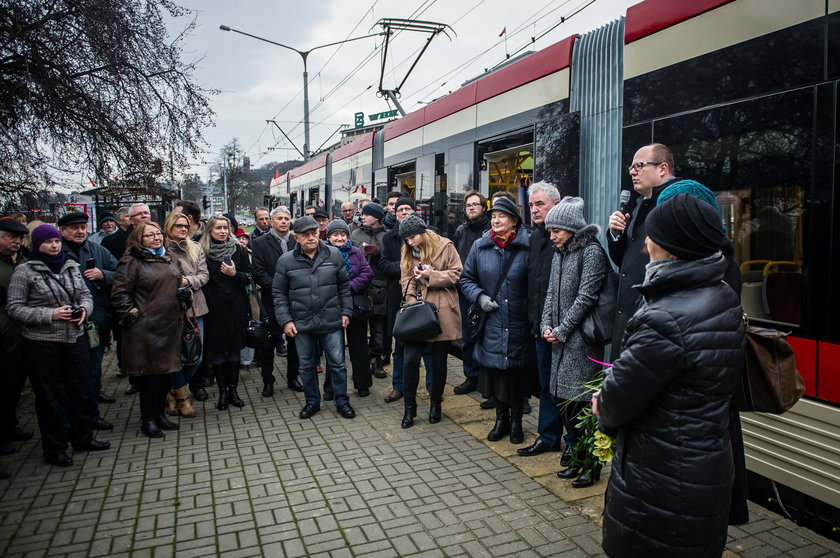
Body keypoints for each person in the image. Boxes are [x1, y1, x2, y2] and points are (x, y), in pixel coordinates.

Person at [594, 194, 745, 558]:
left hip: (660, 478)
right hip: (704, 467)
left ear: (671, 245)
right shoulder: (721, 294)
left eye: (650, 235)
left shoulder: (665, 317)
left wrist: (602, 401)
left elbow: (617, 402)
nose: (644, 244)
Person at [7, 224, 111, 465]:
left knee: (81, 390)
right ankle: (55, 448)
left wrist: (84, 309)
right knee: (50, 397)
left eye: (55, 241)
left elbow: (85, 294)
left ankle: (83, 438)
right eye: (48, 242)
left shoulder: (70, 266)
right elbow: (14, 307)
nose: (54, 246)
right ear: (37, 245)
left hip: (75, 338)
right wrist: (51, 314)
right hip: (43, 343)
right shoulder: (25, 271)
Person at [539, 197, 609, 487]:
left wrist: (563, 330)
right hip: (559, 340)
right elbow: (551, 294)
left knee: (582, 405)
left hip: (581, 341)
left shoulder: (591, 252)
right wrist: (545, 324)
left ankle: (591, 465)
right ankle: (576, 457)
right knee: (562, 400)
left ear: (571, 228)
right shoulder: (560, 252)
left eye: (556, 230)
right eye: (550, 230)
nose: (551, 235)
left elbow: (586, 297)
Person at [460, 197, 533, 443]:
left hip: (518, 323)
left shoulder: (528, 245)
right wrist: (479, 297)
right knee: (497, 376)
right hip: (491, 322)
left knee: (516, 376)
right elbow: (466, 279)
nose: (496, 220)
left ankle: (517, 424)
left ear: (514, 220)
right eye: (493, 217)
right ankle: (500, 420)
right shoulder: (480, 246)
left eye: (502, 216)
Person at [273, 216, 356, 420]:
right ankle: (312, 402)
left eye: (314, 234)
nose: (311, 238)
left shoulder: (334, 254)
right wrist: (285, 320)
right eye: (306, 235)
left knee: (337, 364)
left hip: (331, 319)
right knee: (306, 365)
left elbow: (344, 287)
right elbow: (279, 293)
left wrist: (346, 312)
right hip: (301, 322)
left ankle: (342, 401)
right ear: (297, 237)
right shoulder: (286, 261)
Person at [607, 143, 680, 357]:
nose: (632, 171)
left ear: (662, 168)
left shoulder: (675, 202)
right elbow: (625, 264)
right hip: (631, 315)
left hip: (654, 318)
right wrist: (615, 235)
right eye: (631, 167)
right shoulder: (639, 205)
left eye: (639, 165)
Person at [111, 221, 183, 438]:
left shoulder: (167, 257)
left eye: (158, 234)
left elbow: (175, 283)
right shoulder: (131, 261)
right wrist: (133, 315)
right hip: (145, 329)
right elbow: (120, 293)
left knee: (166, 375)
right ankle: (148, 419)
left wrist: (183, 295)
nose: (156, 238)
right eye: (150, 235)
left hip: (169, 325)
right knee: (150, 378)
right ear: (139, 240)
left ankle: (160, 414)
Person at [397, 214, 462, 428]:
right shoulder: (407, 250)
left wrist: (430, 276)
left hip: (441, 308)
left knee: (438, 362)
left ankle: (436, 404)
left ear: (423, 232)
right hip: (417, 312)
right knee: (410, 361)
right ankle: (409, 408)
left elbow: (456, 274)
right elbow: (406, 278)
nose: (410, 242)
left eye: (413, 237)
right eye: (406, 239)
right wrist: (410, 299)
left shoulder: (445, 246)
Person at [57, 212, 117, 431]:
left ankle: (92, 416)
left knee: (92, 372)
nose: (80, 231)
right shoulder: (56, 251)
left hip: (95, 322)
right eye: (74, 228)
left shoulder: (96, 249)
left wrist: (104, 275)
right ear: (62, 231)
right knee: (67, 377)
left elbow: (120, 271)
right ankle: (68, 421)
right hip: (62, 327)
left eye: (83, 227)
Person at [519, 182, 565, 459]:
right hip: (539, 326)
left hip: (562, 329)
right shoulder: (535, 237)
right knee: (546, 385)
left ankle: (572, 443)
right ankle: (548, 437)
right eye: (532, 204)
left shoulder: (566, 238)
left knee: (565, 389)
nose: (534, 210)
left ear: (556, 205)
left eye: (540, 204)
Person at [379, 197, 434, 403]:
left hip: (429, 297)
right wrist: (405, 271)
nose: (403, 212)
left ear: (414, 211)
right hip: (399, 297)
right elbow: (383, 265)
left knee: (429, 346)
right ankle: (398, 386)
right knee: (400, 346)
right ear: (395, 213)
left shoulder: (430, 235)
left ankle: (432, 388)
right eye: (400, 209)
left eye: (407, 208)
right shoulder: (389, 238)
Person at [199, 215, 252, 411]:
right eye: (218, 228)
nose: (222, 232)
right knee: (219, 351)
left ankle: (233, 390)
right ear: (210, 231)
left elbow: (249, 276)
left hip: (236, 307)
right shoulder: (202, 250)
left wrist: (234, 274)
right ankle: (222, 392)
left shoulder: (238, 248)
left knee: (235, 349)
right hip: (214, 309)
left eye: (225, 228)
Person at [250, 206, 303, 396]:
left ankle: (292, 377)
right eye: (279, 218)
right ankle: (268, 379)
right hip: (271, 300)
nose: (283, 222)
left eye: (286, 218)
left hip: (295, 300)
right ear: (271, 221)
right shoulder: (260, 242)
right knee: (269, 342)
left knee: (294, 340)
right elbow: (257, 271)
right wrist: (277, 287)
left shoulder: (297, 241)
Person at [164, 212, 209, 418]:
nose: (183, 229)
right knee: (174, 357)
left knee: (195, 356)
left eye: (185, 226)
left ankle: (174, 391)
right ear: (169, 227)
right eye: (178, 226)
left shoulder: (195, 247)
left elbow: (203, 275)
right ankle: (181, 397)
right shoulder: (162, 250)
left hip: (195, 308)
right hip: (170, 310)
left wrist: (186, 281)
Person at [0, 218, 34, 467]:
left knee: (16, 381)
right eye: (10, 237)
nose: (16, 242)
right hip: (3, 331)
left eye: (19, 238)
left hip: (21, 331)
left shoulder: (22, 261)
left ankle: (10, 425)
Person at [326, 219, 373, 396]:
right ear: (329, 237)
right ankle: (331, 387)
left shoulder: (356, 253)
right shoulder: (323, 253)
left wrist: (349, 286)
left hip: (355, 303)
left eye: (343, 234)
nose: (339, 238)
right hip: (332, 304)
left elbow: (367, 273)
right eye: (335, 235)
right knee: (333, 347)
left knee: (359, 346)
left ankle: (362, 384)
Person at [452, 190, 491, 395]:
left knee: (487, 338)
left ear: (484, 208)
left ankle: (488, 381)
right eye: (468, 205)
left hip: (487, 292)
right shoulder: (461, 231)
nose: (472, 208)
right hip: (466, 292)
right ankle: (471, 376)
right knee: (468, 339)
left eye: (476, 204)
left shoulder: (491, 228)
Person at [350, 202, 388, 379]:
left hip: (380, 288)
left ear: (377, 218)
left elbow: (392, 259)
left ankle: (377, 362)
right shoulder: (355, 234)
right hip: (359, 289)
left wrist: (379, 252)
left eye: (367, 214)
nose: (362, 216)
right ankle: (361, 364)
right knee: (359, 329)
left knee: (378, 329)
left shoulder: (386, 236)